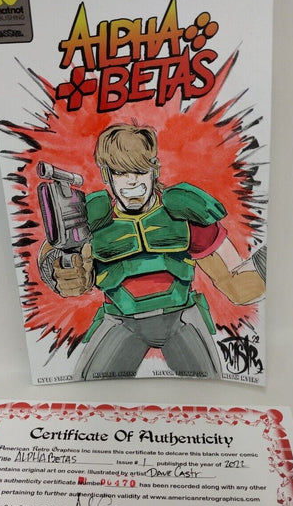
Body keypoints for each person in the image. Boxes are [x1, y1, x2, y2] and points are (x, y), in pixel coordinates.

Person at [39, 123, 265, 380]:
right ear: (106, 174)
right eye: (121, 172)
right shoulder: (92, 217)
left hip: (181, 319)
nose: (131, 181)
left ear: (154, 169)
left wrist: (272, 265)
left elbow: (232, 281)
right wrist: (59, 271)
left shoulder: (182, 211)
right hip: (120, 321)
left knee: (209, 387)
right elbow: (52, 252)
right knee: (90, 387)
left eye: (139, 170)